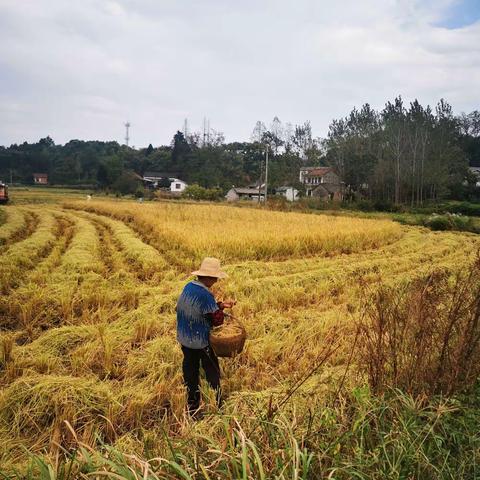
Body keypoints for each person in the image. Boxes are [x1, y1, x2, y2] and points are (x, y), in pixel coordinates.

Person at [176, 257, 235, 417]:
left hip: (184, 337)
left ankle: (192, 404)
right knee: (212, 369)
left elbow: (200, 309)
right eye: (215, 278)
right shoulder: (205, 295)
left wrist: (221, 305)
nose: (215, 281)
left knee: (190, 368)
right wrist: (221, 311)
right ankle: (217, 401)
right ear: (208, 278)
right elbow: (216, 321)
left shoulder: (189, 286)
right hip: (200, 340)